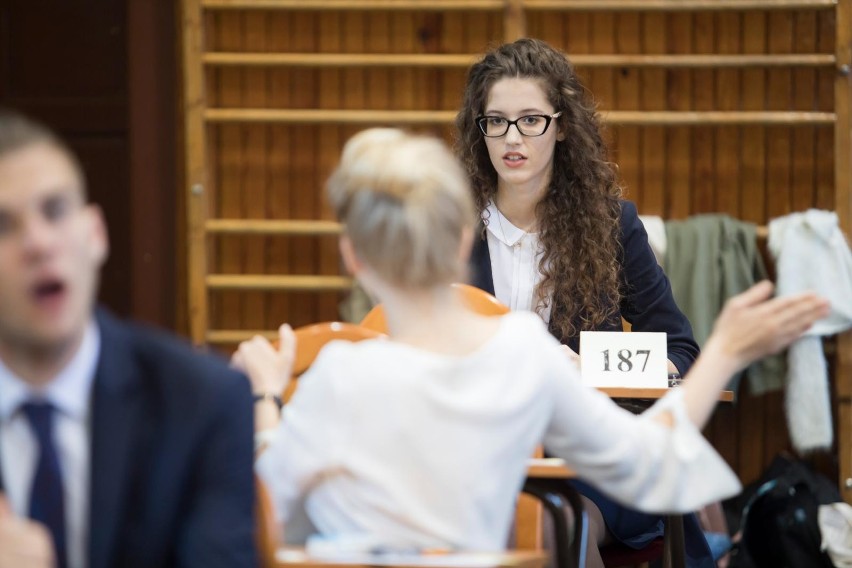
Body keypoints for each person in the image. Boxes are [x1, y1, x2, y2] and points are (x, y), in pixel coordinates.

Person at [234, 127, 828, 557]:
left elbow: (265, 505)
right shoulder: (520, 354)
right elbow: (650, 464)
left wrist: (265, 397)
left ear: (352, 256)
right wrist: (726, 348)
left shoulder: (340, 375)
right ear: (464, 235)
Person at [454, 37, 714, 565]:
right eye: (496, 121)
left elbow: (682, 351)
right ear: (478, 130)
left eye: (531, 120)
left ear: (562, 125)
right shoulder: (449, 230)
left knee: (561, 523)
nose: (512, 137)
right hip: (477, 453)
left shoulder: (611, 225)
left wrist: (588, 366)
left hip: (591, 457)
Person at [0, 109, 257, 568]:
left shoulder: (202, 404)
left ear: (95, 233)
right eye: (3, 225)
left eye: (55, 211)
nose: (38, 242)